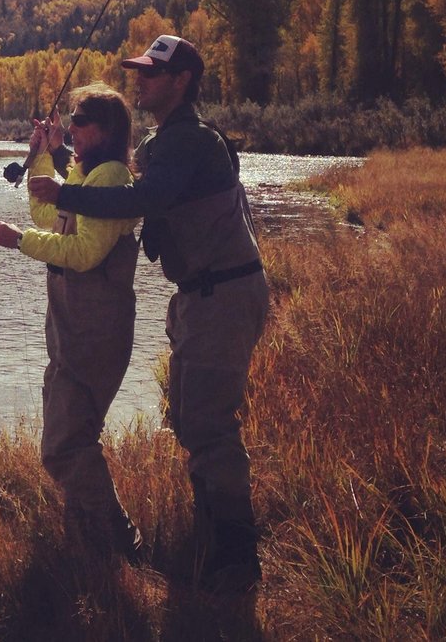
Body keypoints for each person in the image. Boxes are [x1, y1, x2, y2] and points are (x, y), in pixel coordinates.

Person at [27, 34, 269, 595]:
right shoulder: (171, 142)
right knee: (190, 418)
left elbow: (136, 201)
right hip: (203, 295)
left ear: (181, 80)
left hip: (224, 294)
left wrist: (61, 191)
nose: (139, 80)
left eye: (152, 73)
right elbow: (111, 181)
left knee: (208, 424)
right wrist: (57, 158)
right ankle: (210, 544)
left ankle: (233, 561)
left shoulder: (187, 142)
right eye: (138, 71)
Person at [0, 82, 144, 565]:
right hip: (68, 331)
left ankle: (121, 537)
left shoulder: (112, 177)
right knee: (74, 438)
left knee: (62, 447)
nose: (71, 128)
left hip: (95, 333)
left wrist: (20, 242)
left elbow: (82, 254)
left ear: (105, 129)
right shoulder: (85, 175)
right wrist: (43, 156)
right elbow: (45, 210)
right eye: (70, 121)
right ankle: (89, 544)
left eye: (79, 121)